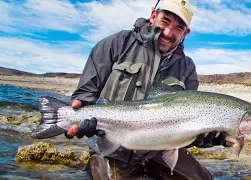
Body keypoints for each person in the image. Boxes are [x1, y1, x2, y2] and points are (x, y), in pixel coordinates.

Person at [66, 0, 232, 179]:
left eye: (178, 28)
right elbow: (85, 93)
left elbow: (186, 123)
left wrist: (199, 139)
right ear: (153, 15)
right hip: (113, 146)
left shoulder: (187, 68)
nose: (168, 32)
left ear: (186, 32)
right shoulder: (117, 43)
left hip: (159, 150)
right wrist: (80, 114)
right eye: (165, 21)